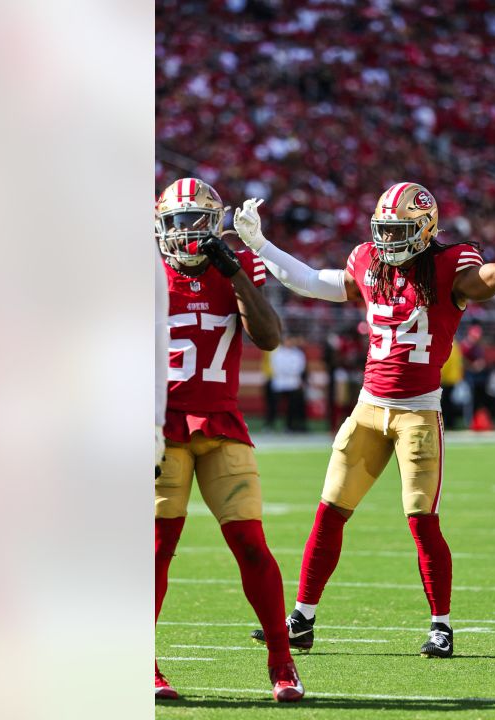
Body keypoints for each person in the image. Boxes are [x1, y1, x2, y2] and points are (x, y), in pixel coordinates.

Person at [235, 178, 495, 658]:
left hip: (418, 414)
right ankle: (303, 618)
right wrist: (260, 244)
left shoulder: (450, 265)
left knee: (422, 518)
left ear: (425, 230)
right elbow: (313, 282)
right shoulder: (369, 262)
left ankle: (441, 625)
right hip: (368, 408)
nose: (389, 241)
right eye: (385, 230)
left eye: (400, 231)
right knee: (329, 510)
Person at [153, 178, 303, 702]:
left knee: (251, 545)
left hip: (220, 423)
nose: (188, 233)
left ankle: (283, 664)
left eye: (198, 221)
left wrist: (234, 269)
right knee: (154, 550)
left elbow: (268, 336)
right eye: (177, 222)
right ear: (160, 227)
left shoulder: (235, 268)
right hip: (161, 427)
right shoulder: (145, 274)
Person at [270, 337, 308, 433]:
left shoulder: (298, 354)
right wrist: (288, 371)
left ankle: (291, 425)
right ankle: (271, 425)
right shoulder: (277, 353)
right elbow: (276, 367)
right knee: (274, 406)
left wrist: (290, 372)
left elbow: (300, 367)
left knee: (293, 406)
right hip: (280, 383)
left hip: (293, 383)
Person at [440, 340, 464, 430]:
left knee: (446, 403)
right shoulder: (455, 345)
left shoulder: (449, 344)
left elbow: (447, 363)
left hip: (447, 379)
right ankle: (450, 422)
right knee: (448, 402)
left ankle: (448, 422)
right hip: (452, 379)